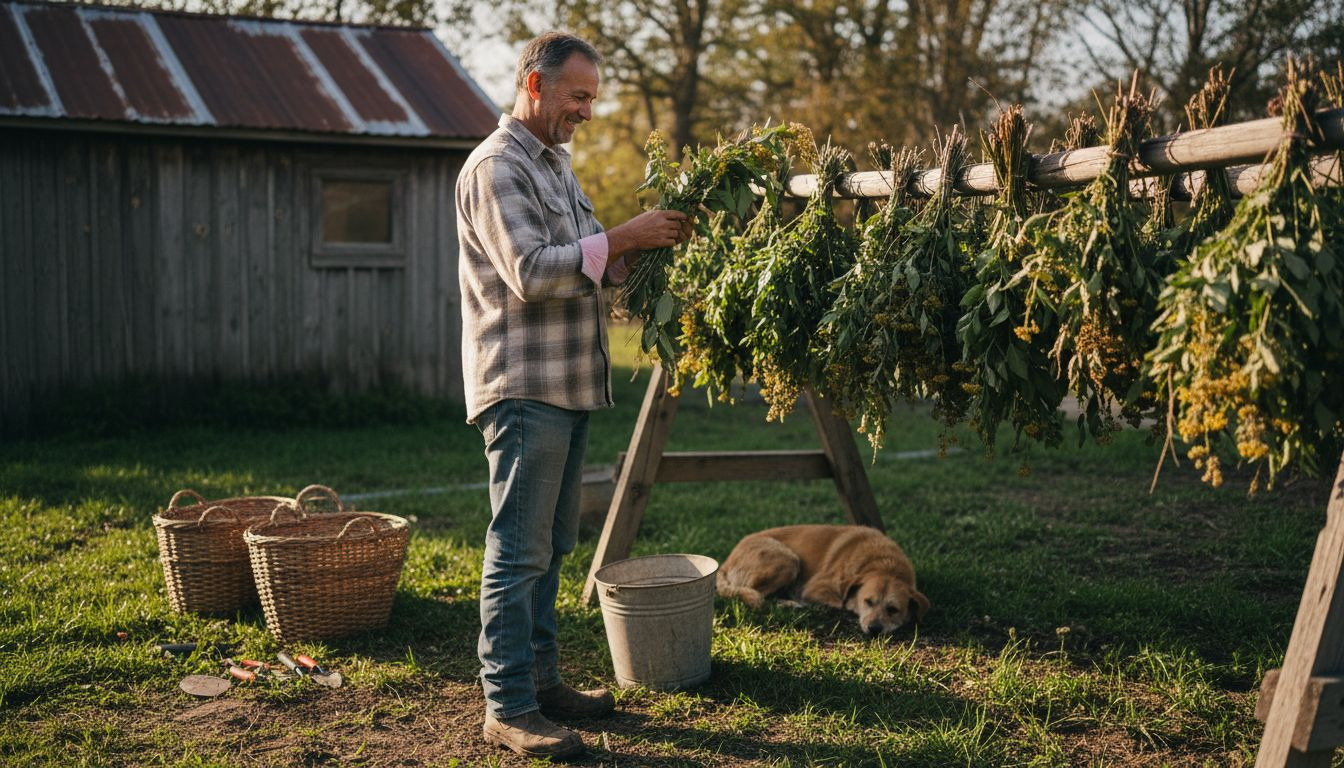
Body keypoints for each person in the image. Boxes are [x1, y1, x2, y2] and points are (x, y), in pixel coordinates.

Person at [455, 31, 692, 759]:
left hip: (568, 383)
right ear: (534, 86)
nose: (587, 110)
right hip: (524, 386)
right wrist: (622, 236)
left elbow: (589, 258)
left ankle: (545, 683)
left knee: (552, 546)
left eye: (592, 97)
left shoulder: (554, 165)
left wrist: (642, 252)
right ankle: (510, 705)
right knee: (517, 550)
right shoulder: (498, 167)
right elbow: (532, 271)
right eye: (577, 96)